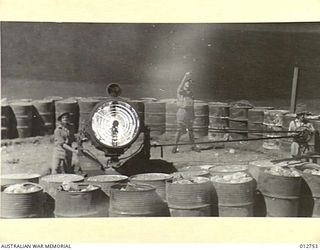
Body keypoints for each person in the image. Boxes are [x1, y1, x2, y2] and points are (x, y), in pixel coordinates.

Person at [172, 72, 201, 153]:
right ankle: (175, 147)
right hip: (182, 112)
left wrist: (193, 115)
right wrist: (185, 76)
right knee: (179, 130)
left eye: (189, 83)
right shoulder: (180, 91)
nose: (188, 84)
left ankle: (193, 146)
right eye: (186, 82)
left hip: (189, 113)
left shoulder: (190, 93)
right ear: (184, 83)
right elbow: (181, 85)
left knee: (191, 130)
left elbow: (192, 104)